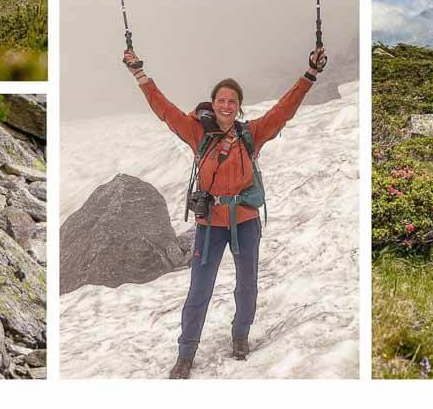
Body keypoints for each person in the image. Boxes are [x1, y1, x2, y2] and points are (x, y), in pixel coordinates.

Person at [122, 45, 327, 379]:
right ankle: (185, 355)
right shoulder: (197, 132)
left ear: (239, 106)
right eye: (222, 100)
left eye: (232, 101)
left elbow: (284, 109)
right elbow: (164, 109)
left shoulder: (251, 133)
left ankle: (240, 337)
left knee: (247, 286)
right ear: (213, 103)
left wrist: (311, 73)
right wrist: (138, 73)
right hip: (209, 224)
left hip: (245, 221)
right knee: (199, 291)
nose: (227, 105)